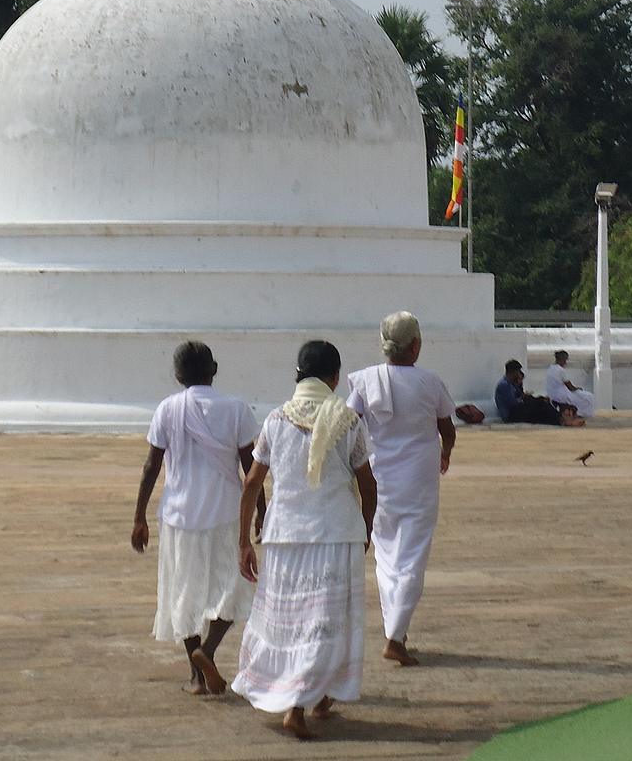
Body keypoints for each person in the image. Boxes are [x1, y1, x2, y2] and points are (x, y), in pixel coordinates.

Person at [231, 341, 378, 740]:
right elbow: (368, 483)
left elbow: (251, 483)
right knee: (325, 622)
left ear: (298, 376)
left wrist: (244, 540)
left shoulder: (277, 420)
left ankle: (318, 696)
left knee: (293, 623)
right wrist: (364, 527)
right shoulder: (347, 420)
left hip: (285, 537)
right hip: (336, 534)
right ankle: (296, 706)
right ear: (334, 378)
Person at [130, 341, 262, 695]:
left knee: (182, 593)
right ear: (214, 369)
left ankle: (197, 674)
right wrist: (262, 509)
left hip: (179, 514)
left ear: (177, 375)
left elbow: (151, 466)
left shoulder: (167, 409)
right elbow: (252, 469)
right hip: (226, 511)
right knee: (235, 587)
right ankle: (209, 651)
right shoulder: (237, 410)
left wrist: (139, 516)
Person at [346, 311, 456, 667]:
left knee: (387, 557)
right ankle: (395, 636)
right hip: (419, 481)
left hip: (379, 480)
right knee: (412, 558)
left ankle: (397, 629)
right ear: (416, 346)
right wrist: (446, 452)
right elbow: (447, 429)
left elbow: (348, 425)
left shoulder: (365, 381)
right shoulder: (429, 382)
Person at [495, 359, 571, 426]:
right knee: (540, 403)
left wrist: (519, 384)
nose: (520, 373)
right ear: (513, 372)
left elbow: (519, 396)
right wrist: (524, 397)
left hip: (517, 411)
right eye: (518, 371)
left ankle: (560, 420)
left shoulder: (513, 383)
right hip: (510, 415)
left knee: (540, 410)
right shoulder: (504, 385)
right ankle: (562, 419)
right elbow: (513, 403)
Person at [544, 350, 593, 425]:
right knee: (588, 396)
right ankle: (582, 414)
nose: (566, 362)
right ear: (562, 359)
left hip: (552, 394)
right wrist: (578, 388)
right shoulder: (560, 370)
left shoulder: (550, 368)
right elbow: (570, 387)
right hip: (561, 395)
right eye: (565, 360)